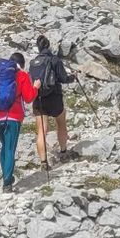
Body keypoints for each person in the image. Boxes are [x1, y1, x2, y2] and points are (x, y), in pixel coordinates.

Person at [0, 51, 38, 191]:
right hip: (13, 118)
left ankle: (7, 176)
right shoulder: (22, 75)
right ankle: (7, 182)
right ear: (22, 64)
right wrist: (36, 87)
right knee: (10, 148)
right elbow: (29, 97)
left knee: (5, 147)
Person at [28, 34, 74, 167]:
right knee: (61, 123)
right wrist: (73, 77)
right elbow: (64, 79)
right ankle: (63, 151)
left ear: (38, 48)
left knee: (42, 131)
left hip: (39, 98)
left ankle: (43, 162)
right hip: (54, 97)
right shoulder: (55, 60)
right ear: (48, 46)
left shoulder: (33, 63)